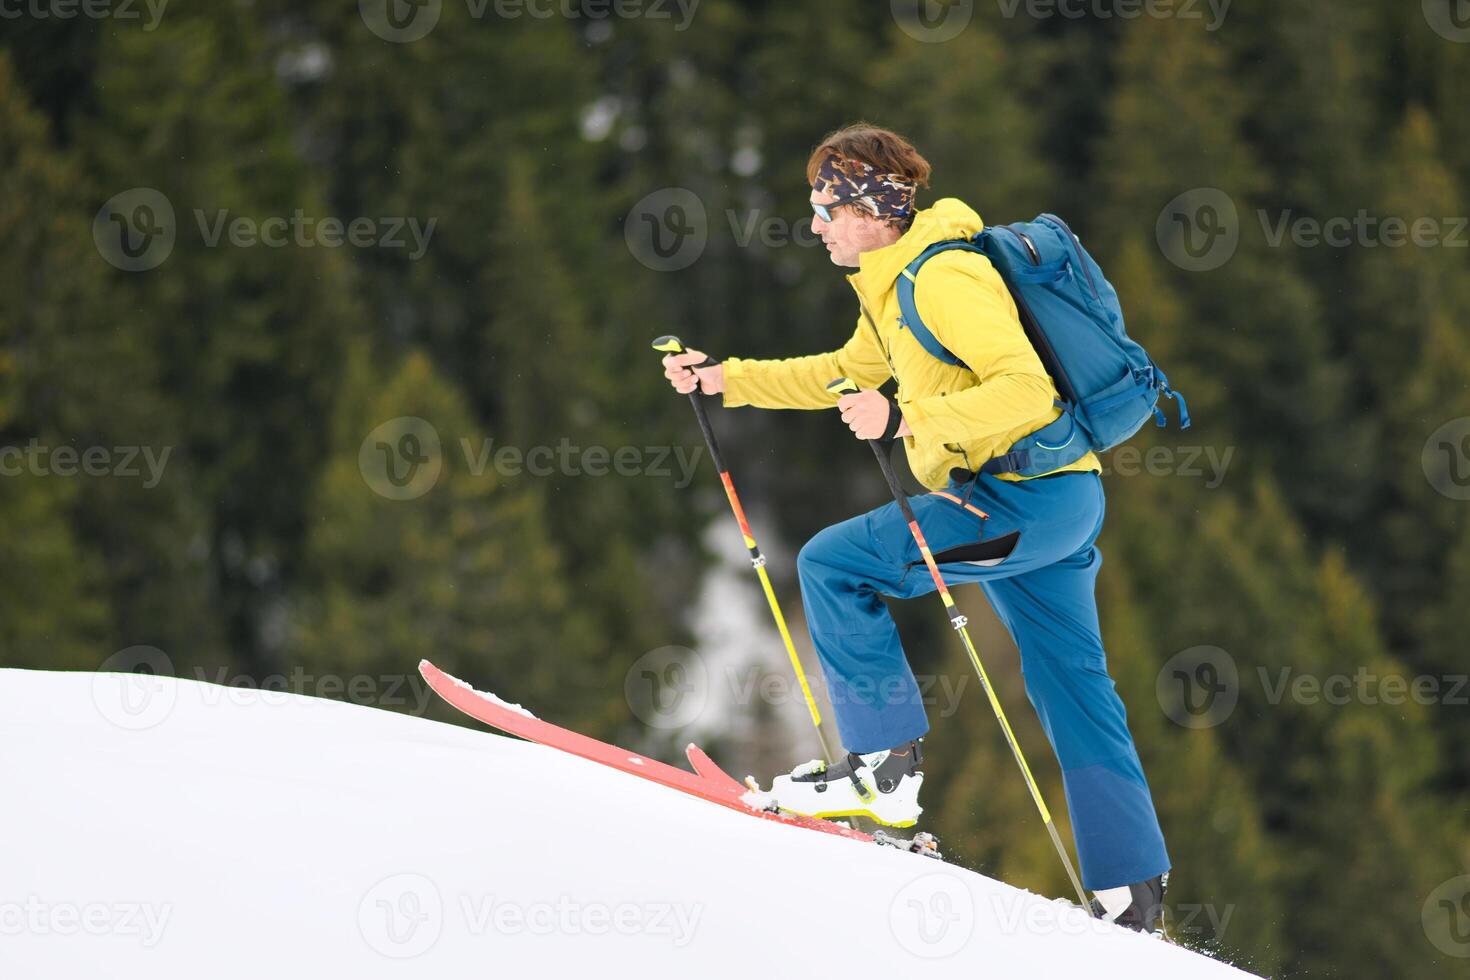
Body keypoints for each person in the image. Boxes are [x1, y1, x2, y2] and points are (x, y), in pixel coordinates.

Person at [660, 123, 1170, 931]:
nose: (818, 223)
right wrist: (725, 378)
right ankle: (1132, 889)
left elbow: (1027, 393)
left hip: (1020, 497)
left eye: (828, 206)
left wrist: (905, 415)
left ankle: (883, 767)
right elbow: (846, 374)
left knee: (835, 564)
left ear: (875, 210)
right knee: (1073, 684)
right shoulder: (888, 281)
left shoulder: (944, 279)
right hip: (1053, 500)